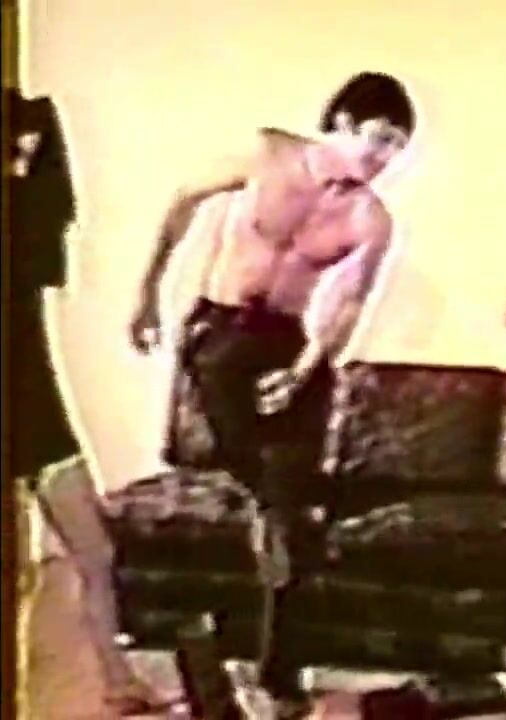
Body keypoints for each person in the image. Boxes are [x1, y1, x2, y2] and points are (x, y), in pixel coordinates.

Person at [128, 71, 414, 718]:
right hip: (220, 333)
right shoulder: (267, 154)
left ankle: (279, 670)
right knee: (265, 490)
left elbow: (348, 303)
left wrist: (306, 369)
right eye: (376, 138)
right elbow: (181, 199)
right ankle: (231, 623)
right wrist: (146, 293)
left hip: (288, 344)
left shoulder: (370, 217)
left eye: (396, 146)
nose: (382, 157)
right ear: (340, 125)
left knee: (292, 508)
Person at [7, 88, 168, 716]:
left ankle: (118, 682)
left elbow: (54, 186)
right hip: (29, 409)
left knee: (96, 552)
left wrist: (34, 131)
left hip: (37, 413)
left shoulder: (27, 214)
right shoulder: (26, 211)